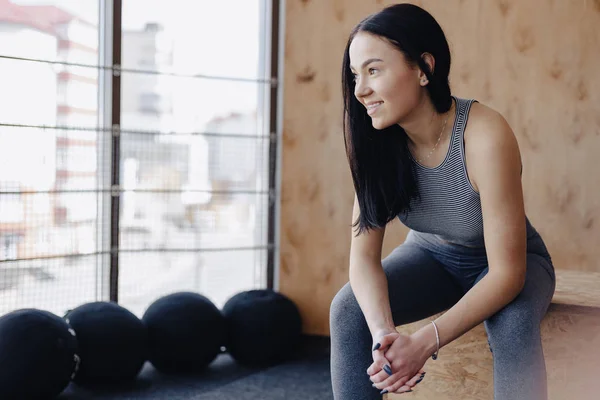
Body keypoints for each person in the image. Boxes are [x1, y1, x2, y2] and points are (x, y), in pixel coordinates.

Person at [329, 3, 556, 400]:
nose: (360, 89)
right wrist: (384, 333)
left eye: (374, 70)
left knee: (512, 321)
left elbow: (506, 274)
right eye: (354, 74)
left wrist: (423, 343)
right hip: (430, 258)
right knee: (348, 310)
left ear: (424, 68)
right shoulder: (377, 143)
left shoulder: (484, 134)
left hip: (506, 264)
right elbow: (362, 260)